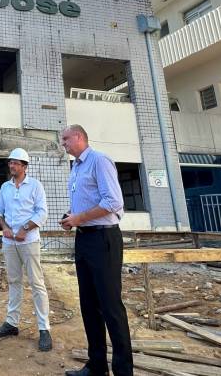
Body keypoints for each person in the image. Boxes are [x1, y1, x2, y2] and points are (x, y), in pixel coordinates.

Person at [59, 125, 133, 376]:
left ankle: (124, 371)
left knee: (111, 306)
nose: (63, 144)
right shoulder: (76, 167)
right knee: (89, 305)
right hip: (84, 239)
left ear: (79, 137)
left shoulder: (99, 161)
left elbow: (113, 202)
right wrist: (72, 218)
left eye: (66, 139)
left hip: (104, 240)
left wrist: (80, 218)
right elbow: (86, 203)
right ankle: (96, 365)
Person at [0, 148, 53, 352]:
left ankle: (44, 329)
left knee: (37, 283)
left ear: (25, 167)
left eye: (16, 163)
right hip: (9, 243)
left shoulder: (35, 186)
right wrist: (5, 228)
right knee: (14, 281)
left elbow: (42, 213)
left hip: (29, 242)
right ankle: (12, 323)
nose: (12, 166)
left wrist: (25, 229)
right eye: (10, 163)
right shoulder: (5, 187)